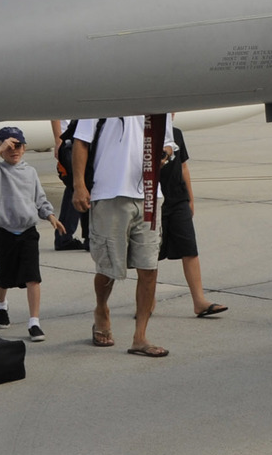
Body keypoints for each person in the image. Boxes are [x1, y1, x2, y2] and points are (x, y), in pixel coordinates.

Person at [72, 114, 176, 357]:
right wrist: (79, 185)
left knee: (149, 268)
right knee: (108, 269)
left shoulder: (157, 102)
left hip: (149, 194)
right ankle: (101, 309)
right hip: (109, 193)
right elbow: (81, 141)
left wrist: (164, 155)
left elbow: (169, 142)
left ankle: (140, 337)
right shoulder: (104, 95)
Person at [0, 127, 66, 341]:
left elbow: (39, 199)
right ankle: (1, 306)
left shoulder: (30, 172)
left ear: (25, 148)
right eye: (9, 146)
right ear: (0, 148)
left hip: (28, 232)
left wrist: (50, 216)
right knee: (4, 278)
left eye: (18, 146)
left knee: (33, 277)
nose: (14, 150)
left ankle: (34, 322)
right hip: (5, 232)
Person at [160, 126, 226, 318]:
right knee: (150, 255)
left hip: (178, 199)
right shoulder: (144, 132)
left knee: (189, 248)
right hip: (155, 200)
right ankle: (146, 301)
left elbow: (183, 166)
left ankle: (199, 301)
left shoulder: (176, 133)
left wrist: (190, 198)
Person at [49, 119, 88, 251]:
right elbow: (56, 115)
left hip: (75, 139)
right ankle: (66, 237)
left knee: (76, 187)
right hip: (71, 141)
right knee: (77, 186)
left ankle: (65, 235)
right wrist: (58, 140)